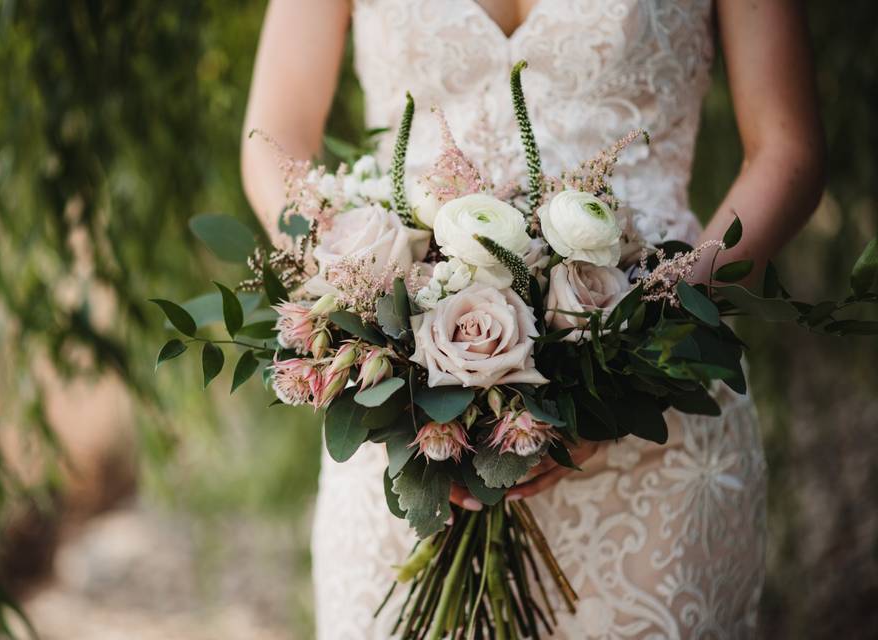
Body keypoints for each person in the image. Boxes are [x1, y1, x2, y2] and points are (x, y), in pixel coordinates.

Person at [241, 1, 824, 638]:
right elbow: (275, 136)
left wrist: (647, 330)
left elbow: (787, 148)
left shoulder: (649, 353)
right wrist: (359, 287)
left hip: (657, 415)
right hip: (408, 421)